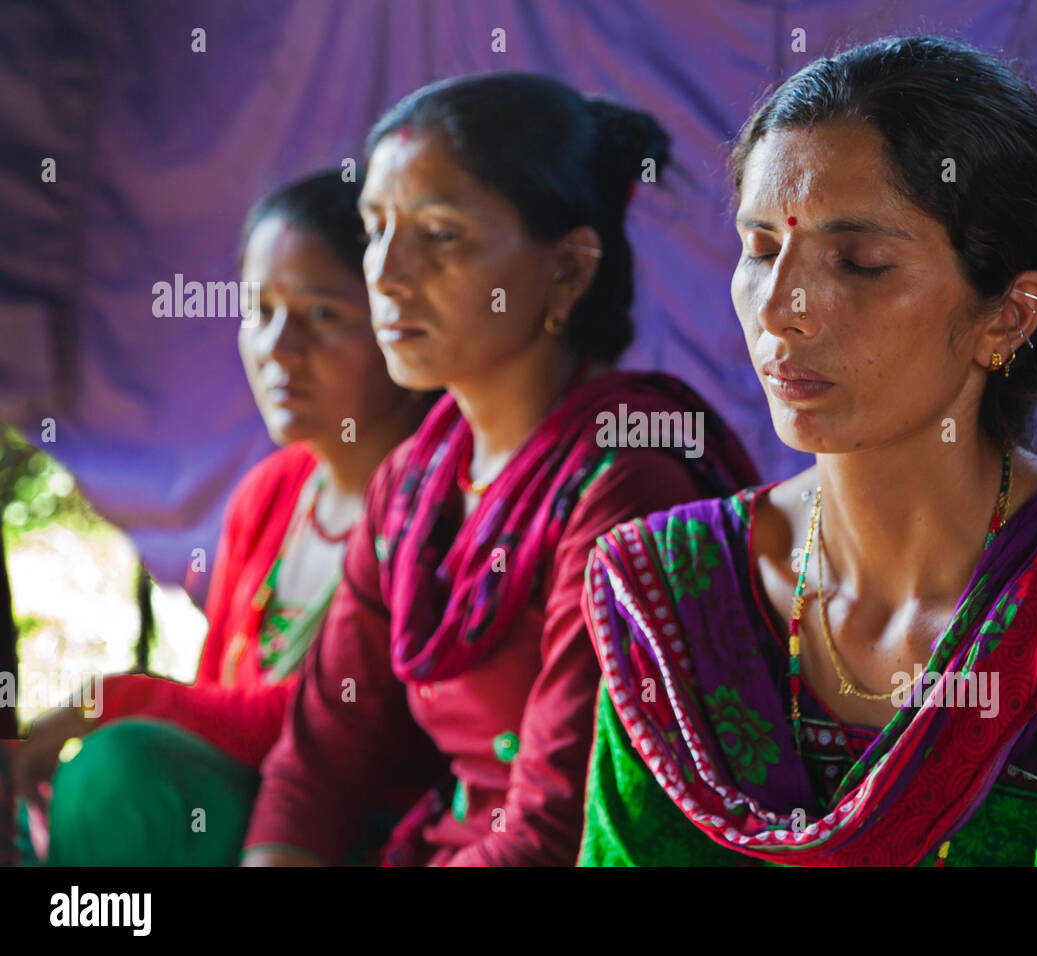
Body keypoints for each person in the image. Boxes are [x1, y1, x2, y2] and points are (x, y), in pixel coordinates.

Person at [579, 36, 1037, 866]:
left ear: (1010, 316)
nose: (781, 309)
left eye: (859, 262)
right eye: (762, 250)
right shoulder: (678, 595)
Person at [239, 73, 757, 867]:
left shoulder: (627, 479)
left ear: (567, 271)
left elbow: (560, 828)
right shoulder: (413, 484)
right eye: (376, 228)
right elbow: (319, 757)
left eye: (439, 234)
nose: (385, 272)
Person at [11, 171, 429, 865]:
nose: (278, 347)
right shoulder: (272, 493)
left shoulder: (433, 500)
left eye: (322, 315)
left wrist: (115, 700)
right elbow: (218, 700)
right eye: (260, 311)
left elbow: (325, 723)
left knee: (123, 774)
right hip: (236, 812)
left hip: (354, 831)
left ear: (397, 319)